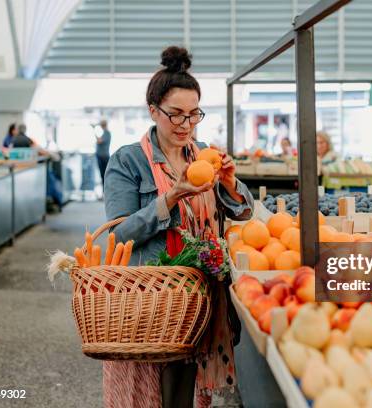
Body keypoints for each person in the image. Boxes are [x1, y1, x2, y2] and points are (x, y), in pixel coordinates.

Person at [103, 46, 253, 408]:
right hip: (154, 300)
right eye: (176, 115)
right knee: (154, 393)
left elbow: (244, 213)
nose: (186, 125)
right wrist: (172, 197)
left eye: (194, 114)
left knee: (185, 391)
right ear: (154, 111)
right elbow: (118, 235)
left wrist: (230, 182)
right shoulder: (128, 161)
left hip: (201, 299)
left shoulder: (203, 154)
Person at [95, 119, 111, 186]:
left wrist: (94, 131)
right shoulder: (104, 133)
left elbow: (99, 141)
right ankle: (104, 192)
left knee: (104, 175)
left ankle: (105, 192)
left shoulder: (107, 133)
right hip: (101, 156)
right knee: (102, 175)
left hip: (103, 157)